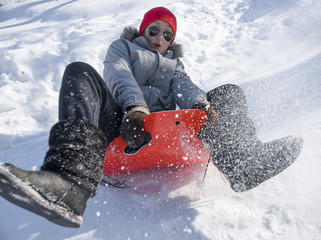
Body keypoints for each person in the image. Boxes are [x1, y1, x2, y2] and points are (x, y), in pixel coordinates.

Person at [0, 7, 303, 228]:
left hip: (170, 132)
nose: (160, 38)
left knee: (229, 92)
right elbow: (118, 75)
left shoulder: (175, 65)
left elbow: (185, 87)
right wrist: (135, 108)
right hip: (123, 127)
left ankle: (240, 162)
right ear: (143, 30)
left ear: (172, 42)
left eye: (167, 35)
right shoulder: (124, 48)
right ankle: (71, 182)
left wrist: (202, 108)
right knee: (78, 71)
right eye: (154, 30)